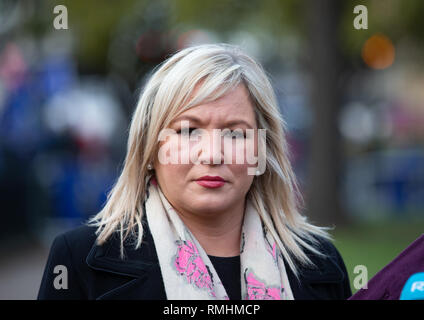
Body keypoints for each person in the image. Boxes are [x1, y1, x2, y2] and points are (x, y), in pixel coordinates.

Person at [38, 43, 352, 300]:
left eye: (235, 133)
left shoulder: (320, 264)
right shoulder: (79, 261)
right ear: (151, 149)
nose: (213, 154)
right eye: (189, 130)